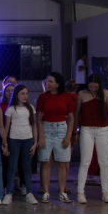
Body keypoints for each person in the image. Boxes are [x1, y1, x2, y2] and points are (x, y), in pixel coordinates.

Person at [73, 74, 108, 204]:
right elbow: (76, 113)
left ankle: (105, 192)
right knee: (85, 161)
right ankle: (80, 192)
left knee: (104, 162)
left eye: (96, 87)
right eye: (91, 86)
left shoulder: (106, 93)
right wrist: (76, 132)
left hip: (102, 129)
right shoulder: (81, 94)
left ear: (100, 85)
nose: (93, 89)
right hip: (86, 129)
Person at [37, 72, 75, 204]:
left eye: (51, 81)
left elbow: (71, 118)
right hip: (46, 128)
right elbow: (39, 118)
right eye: (47, 81)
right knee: (46, 162)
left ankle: (62, 192)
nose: (48, 83)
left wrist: (68, 136)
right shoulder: (43, 97)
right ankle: (46, 192)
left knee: (62, 163)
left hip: (61, 129)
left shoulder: (66, 97)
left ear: (58, 84)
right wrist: (41, 136)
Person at [4, 84, 38, 205]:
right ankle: (8, 193)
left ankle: (29, 193)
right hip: (14, 140)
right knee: (12, 166)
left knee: (27, 166)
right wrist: (5, 143)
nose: (25, 96)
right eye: (22, 93)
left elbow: (34, 126)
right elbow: (6, 128)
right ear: (17, 95)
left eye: (26, 93)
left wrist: (35, 142)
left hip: (28, 139)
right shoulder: (11, 109)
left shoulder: (31, 108)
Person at [0, 82, 15, 190]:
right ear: (4, 92)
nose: (10, 92)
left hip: (16, 136)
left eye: (12, 91)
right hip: (4, 136)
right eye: (8, 91)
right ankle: (4, 186)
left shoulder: (19, 106)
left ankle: (18, 185)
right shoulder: (0, 106)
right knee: (4, 162)